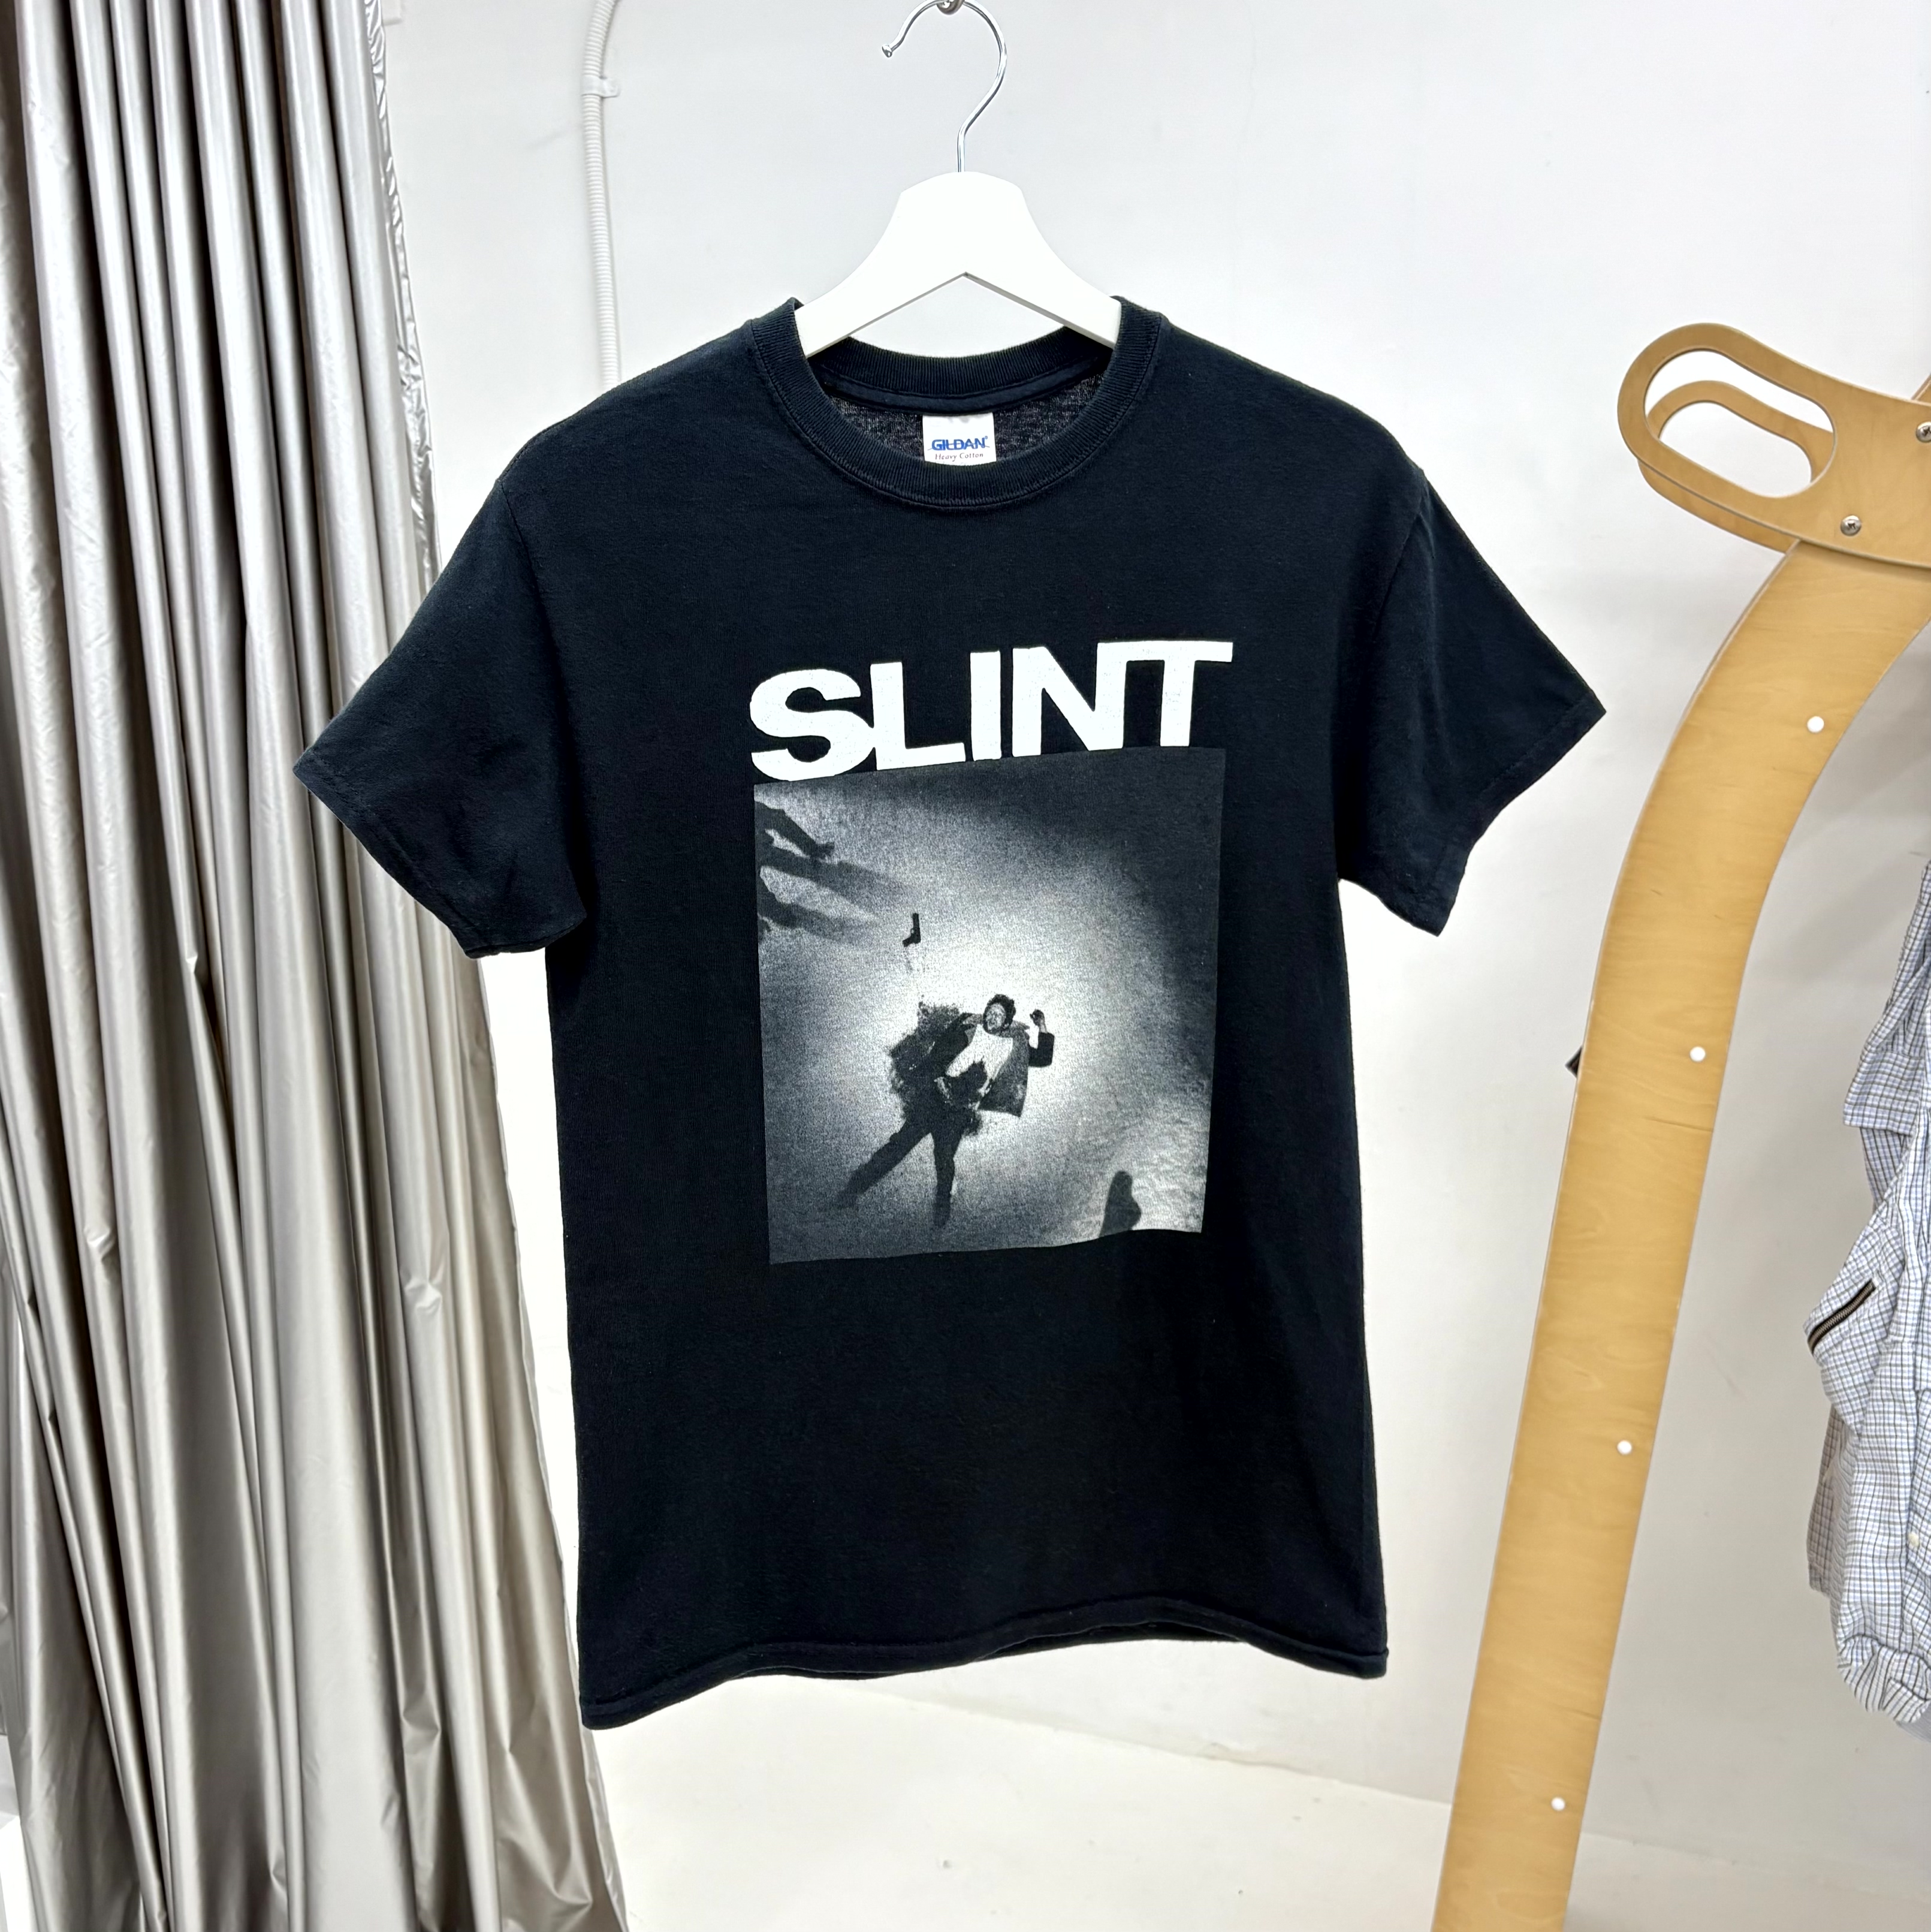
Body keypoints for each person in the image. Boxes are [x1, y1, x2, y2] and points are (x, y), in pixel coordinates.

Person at [837, 996, 1055, 1229]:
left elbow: (1044, 1058)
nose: (992, 1017)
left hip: (959, 1111)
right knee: (898, 1146)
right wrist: (932, 1078)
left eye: (999, 1015)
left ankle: (941, 1217)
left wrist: (1042, 1026)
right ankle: (851, 1192)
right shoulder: (967, 1028)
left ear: (1006, 1023)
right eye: (990, 1011)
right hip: (935, 1099)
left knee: (944, 1160)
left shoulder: (1011, 1046)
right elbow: (937, 1053)